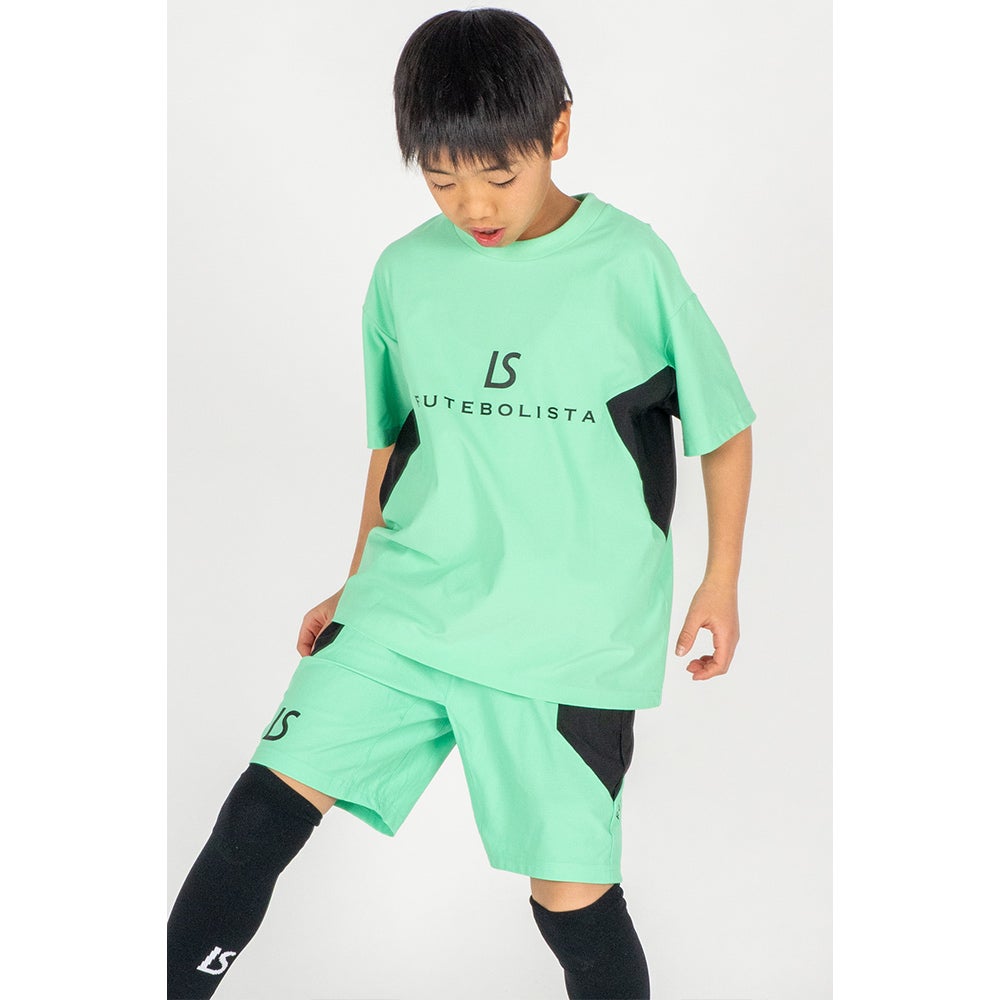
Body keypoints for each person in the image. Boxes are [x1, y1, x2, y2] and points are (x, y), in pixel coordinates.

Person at [167, 7, 755, 999]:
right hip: (409, 605)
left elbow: (724, 424)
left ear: (557, 132)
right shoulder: (405, 272)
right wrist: (356, 581)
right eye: (441, 180)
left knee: (573, 907)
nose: (471, 204)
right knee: (256, 819)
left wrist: (720, 580)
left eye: (497, 174)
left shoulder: (630, 264)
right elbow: (398, 440)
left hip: (568, 638)